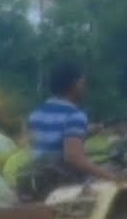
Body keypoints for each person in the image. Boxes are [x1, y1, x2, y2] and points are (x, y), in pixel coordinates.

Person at [25, 61, 115, 196]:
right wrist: (110, 177)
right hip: (62, 182)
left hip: (37, 179)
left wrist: (87, 131)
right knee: (109, 175)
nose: (84, 88)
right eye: (82, 83)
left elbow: (51, 141)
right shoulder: (75, 115)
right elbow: (73, 157)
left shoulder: (37, 113)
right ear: (75, 85)